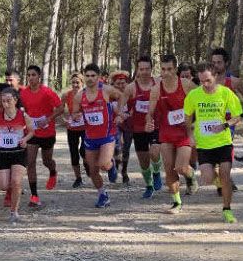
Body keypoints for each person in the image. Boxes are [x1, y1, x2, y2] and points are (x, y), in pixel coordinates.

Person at [183, 62, 243, 224]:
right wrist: (190, 134)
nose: (205, 84)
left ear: (215, 77)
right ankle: (222, 185)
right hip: (204, 144)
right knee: (208, 179)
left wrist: (224, 125)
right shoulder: (194, 95)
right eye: (202, 81)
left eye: (208, 80)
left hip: (223, 142)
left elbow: (238, 116)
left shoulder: (226, 93)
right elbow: (187, 116)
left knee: (225, 174)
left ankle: (227, 209)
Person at [146, 54, 198, 214]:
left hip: (184, 132)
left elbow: (200, 103)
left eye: (169, 69)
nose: (166, 72)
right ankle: (176, 202)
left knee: (181, 167)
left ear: (175, 69)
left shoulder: (187, 85)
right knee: (169, 169)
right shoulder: (156, 89)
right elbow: (150, 112)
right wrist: (149, 121)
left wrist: (195, 123)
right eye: (163, 69)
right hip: (166, 133)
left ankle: (190, 176)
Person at [70, 63, 125, 209]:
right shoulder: (79, 96)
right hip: (90, 137)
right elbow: (75, 112)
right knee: (92, 171)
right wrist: (76, 116)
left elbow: (121, 97)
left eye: (93, 76)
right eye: (87, 76)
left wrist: (118, 113)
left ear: (98, 77)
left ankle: (111, 164)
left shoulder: (106, 90)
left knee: (103, 164)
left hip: (107, 133)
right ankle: (102, 194)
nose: (90, 78)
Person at [19, 65, 64, 205]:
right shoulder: (23, 93)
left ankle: (53, 171)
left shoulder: (47, 92)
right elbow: (22, 110)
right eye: (29, 75)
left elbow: (61, 108)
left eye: (33, 75)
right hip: (32, 133)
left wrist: (49, 119)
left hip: (47, 132)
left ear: (39, 77)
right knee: (30, 162)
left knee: (47, 161)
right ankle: (34, 195)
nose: (31, 78)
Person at [0, 87, 34, 223]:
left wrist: (25, 140)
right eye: (3, 101)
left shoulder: (23, 116)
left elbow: (31, 131)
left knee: (16, 181)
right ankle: (13, 192)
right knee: (3, 185)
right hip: (3, 153)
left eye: (9, 101)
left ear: (15, 100)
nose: (6, 104)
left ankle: (14, 211)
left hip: (19, 153)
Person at [122, 56, 164, 198]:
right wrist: (122, 115)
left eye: (147, 69)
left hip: (155, 125)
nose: (145, 72)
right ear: (137, 70)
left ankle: (157, 172)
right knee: (144, 162)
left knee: (154, 152)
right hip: (138, 128)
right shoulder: (131, 88)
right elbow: (121, 106)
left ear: (152, 69)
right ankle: (149, 186)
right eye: (142, 69)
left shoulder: (158, 83)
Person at [61, 73, 87, 188]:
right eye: (73, 82)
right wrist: (64, 120)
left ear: (82, 83)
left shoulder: (87, 94)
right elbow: (60, 109)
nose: (75, 85)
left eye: (77, 82)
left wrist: (82, 114)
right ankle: (78, 178)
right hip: (72, 127)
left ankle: (87, 165)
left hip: (85, 127)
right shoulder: (67, 95)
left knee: (84, 150)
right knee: (74, 152)